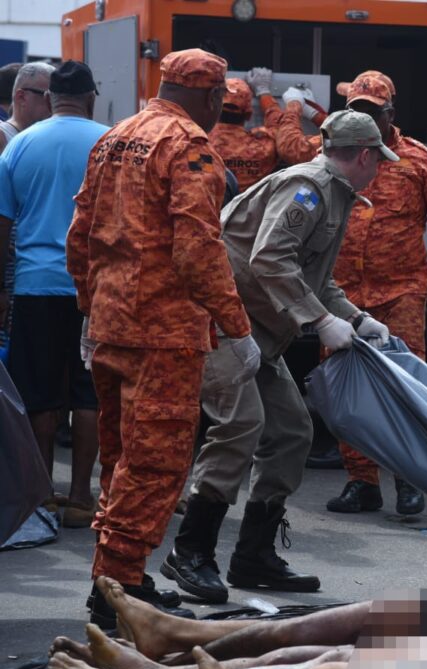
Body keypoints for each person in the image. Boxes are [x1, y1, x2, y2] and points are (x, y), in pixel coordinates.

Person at [161, 111, 394, 604]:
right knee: (241, 426)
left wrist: (354, 318)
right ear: (365, 154)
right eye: (378, 160)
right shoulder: (308, 188)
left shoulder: (334, 193)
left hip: (259, 333)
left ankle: (254, 556)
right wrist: (315, 320)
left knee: (291, 431)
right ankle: (192, 552)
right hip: (223, 324)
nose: (379, 170)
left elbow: (316, 278)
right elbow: (270, 258)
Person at [65, 49, 258, 626]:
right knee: (154, 465)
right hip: (163, 334)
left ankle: (117, 576)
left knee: (122, 459)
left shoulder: (114, 138)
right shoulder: (191, 146)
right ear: (212, 96)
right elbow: (197, 249)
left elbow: (81, 232)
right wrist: (237, 326)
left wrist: (87, 306)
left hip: (111, 324)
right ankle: (117, 590)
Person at [312, 72, 427, 517]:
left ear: (390, 114)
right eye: (356, 110)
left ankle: (408, 480)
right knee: (347, 389)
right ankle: (361, 481)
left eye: (372, 112)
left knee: (404, 386)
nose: (363, 119)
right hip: (340, 293)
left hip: (400, 289)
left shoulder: (417, 160)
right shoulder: (329, 154)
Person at [0, 61, 108, 529]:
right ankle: (83, 497)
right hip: (96, 290)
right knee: (89, 395)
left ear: (49, 99)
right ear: (91, 97)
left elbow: (2, 228)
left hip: (35, 286)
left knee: (40, 396)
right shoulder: (111, 143)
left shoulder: (19, 145)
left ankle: (43, 497)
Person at [206, 77, 278, 191]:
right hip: (248, 208)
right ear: (249, 114)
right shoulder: (264, 146)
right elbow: (280, 128)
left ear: (212, 107)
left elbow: (197, 178)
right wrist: (264, 92)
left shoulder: (201, 143)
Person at [0, 62, 53, 154]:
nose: (55, 106)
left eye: (57, 98)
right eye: (48, 97)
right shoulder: (3, 136)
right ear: (21, 97)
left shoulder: (43, 140)